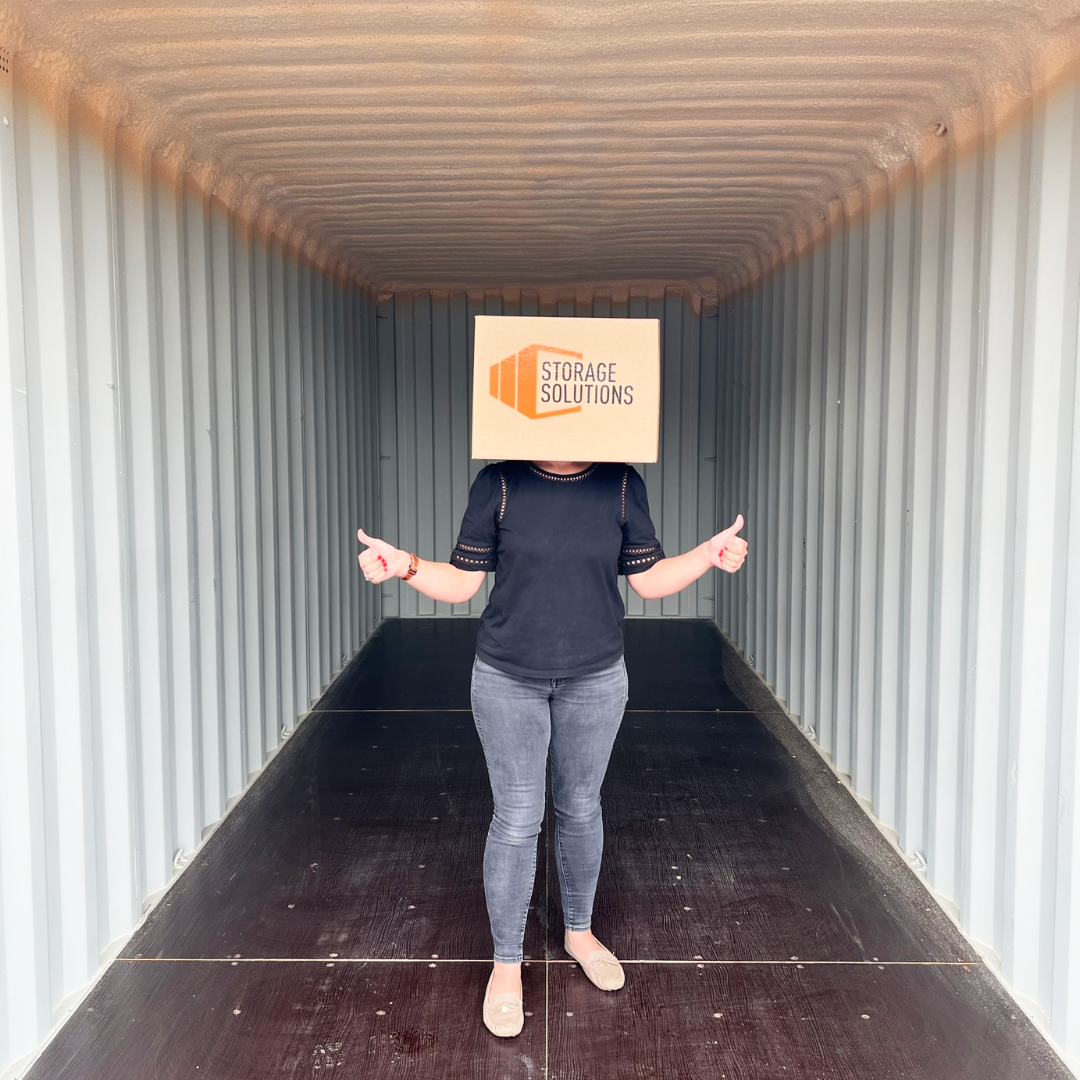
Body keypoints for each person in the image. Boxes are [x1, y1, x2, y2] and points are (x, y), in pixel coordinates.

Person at [356, 459, 748, 1038]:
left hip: (595, 676)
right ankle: (507, 964)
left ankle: (580, 932)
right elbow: (465, 581)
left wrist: (707, 555)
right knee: (517, 817)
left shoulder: (619, 482)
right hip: (507, 676)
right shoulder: (501, 482)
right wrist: (404, 565)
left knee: (581, 806)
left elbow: (647, 578)